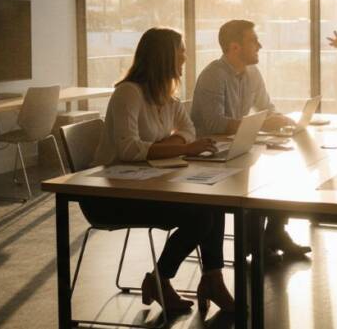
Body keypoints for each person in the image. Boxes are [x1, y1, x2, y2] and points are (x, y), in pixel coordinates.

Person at [87, 27, 235, 315]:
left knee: (213, 204)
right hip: (110, 196)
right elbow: (129, 150)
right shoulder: (128, 93)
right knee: (202, 215)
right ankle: (161, 279)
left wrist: (168, 144)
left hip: (148, 183)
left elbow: (189, 131)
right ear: (164, 56)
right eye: (181, 49)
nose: (185, 55)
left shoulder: (166, 95)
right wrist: (179, 147)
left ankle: (211, 279)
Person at [192, 19, 311, 260]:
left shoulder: (252, 73)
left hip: (237, 148)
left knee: (284, 167)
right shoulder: (213, 75)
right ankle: (253, 242)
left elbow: (266, 108)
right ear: (235, 47)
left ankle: (274, 233)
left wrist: (282, 121)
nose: (260, 45)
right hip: (209, 154)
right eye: (253, 41)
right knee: (260, 176)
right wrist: (260, 125)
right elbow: (214, 124)